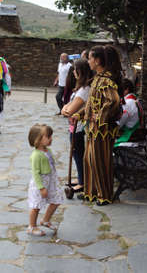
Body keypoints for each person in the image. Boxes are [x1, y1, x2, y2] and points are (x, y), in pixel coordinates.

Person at [77, 45, 122, 206]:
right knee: (89, 160)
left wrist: (100, 117)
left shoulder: (106, 80)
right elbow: (91, 103)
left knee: (100, 161)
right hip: (93, 129)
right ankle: (91, 192)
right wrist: (80, 114)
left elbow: (113, 100)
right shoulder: (97, 78)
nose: (88, 61)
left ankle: (105, 195)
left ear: (97, 60)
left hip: (102, 130)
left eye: (89, 58)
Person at [61, 58, 93, 193]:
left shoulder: (85, 90)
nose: (73, 72)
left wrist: (65, 110)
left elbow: (69, 110)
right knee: (76, 154)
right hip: (74, 126)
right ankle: (81, 178)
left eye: (75, 70)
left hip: (79, 127)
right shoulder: (80, 88)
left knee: (78, 154)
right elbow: (67, 107)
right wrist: (65, 109)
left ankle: (82, 182)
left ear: (80, 72)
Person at [27, 124, 64, 236]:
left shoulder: (48, 151)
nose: (51, 139)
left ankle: (45, 220)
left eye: (51, 136)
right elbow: (35, 173)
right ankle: (32, 227)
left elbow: (51, 165)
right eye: (48, 137)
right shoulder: (36, 155)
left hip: (50, 182)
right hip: (41, 184)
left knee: (57, 199)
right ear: (38, 140)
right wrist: (41, 188)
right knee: (36, 206)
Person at [114, 78, 145, 147]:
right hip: (136, 132)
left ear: (126, 90)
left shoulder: (128, 103)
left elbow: (118, 125)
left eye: (118, 90)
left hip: (131, 134)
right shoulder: (133, 99)